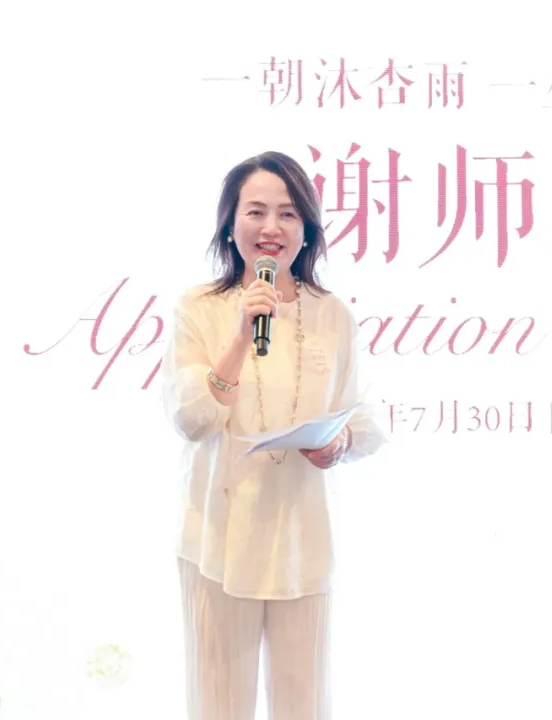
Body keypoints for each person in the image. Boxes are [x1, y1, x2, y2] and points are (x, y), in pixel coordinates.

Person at [160, 151, 387, 720]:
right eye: (255, 211)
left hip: (302, 540)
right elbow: (193, 418)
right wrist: (241, 334)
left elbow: (368, 418)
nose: (271, 227)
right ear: (229, 224)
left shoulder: (332, 315)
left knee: (303, 706)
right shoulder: (199, 308)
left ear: (307, 229)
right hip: (218, 541)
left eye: (288, 214)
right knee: (218, 707)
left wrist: (339, 443)